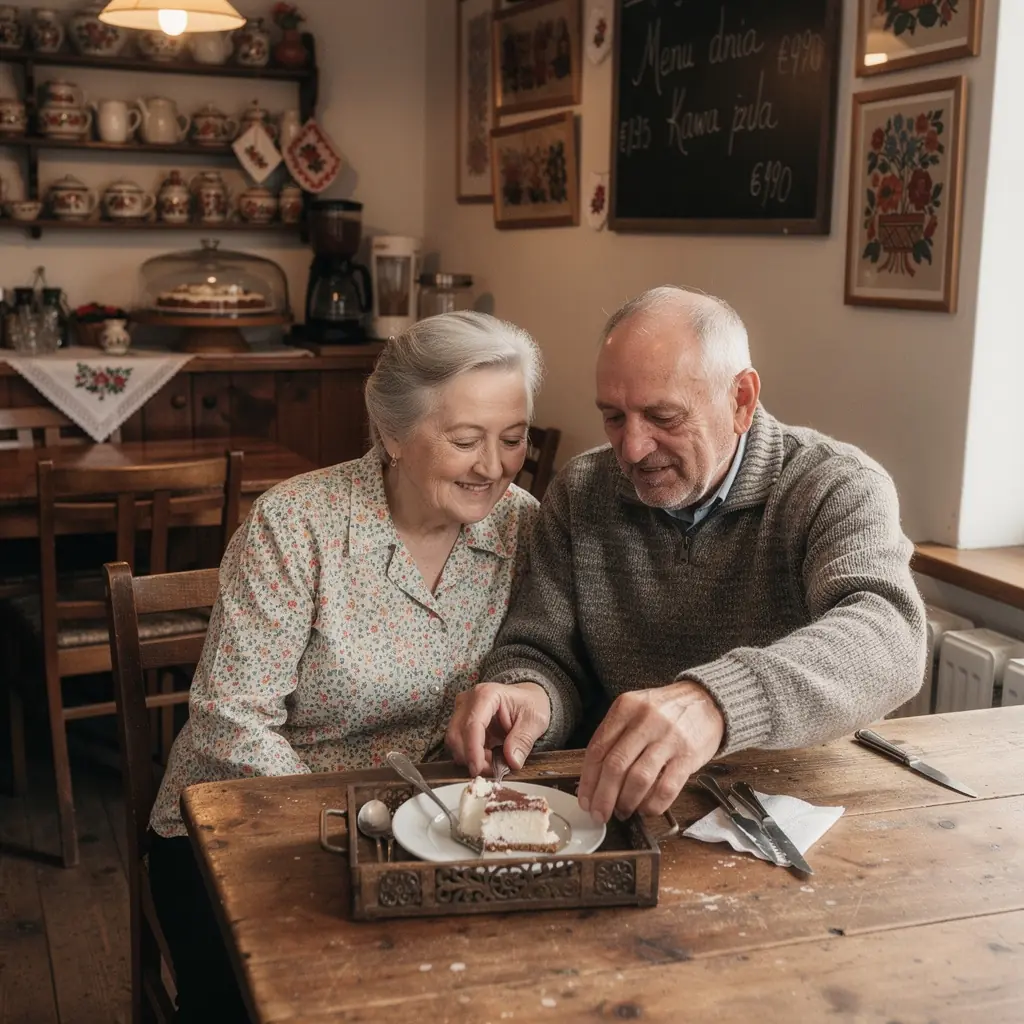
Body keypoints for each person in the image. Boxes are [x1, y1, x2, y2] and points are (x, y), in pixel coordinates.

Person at [148, 311, 543, 1022]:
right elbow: (230, 718)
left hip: (433, 825)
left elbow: (540, 664)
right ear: (391, 432)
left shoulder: (524, 526)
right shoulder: (296, 524)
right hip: (255, 821)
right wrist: (356, 823)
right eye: (465, 441)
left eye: (513, 439)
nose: (493, 467)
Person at [446, 286, 926, 828]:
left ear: (740, 400)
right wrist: (530, 695)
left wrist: (714, 703)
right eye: (614, 417)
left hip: (796, 803)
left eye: (664, 416)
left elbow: (890, 634)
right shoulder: (582, 491)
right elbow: (546, 652)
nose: (632, 449)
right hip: (625, 806)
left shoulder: (833, 485)